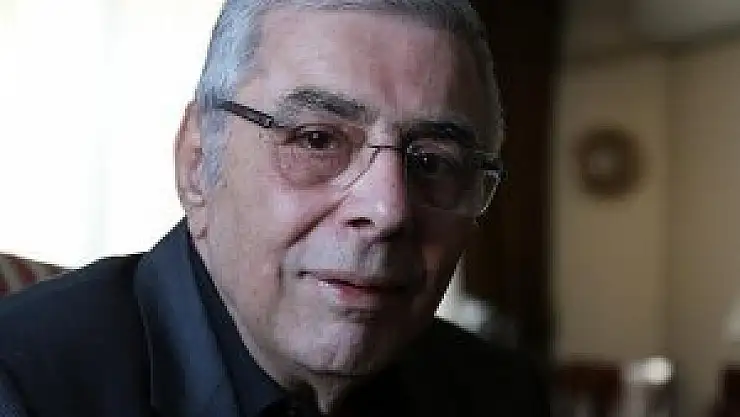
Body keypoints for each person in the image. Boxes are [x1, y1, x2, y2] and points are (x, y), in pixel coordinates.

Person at [0, 0, 548, 416]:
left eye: (433, 162)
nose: (388, 210)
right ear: (198, 163)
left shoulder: (500, 395)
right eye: (317, 140)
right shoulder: (23, 384)